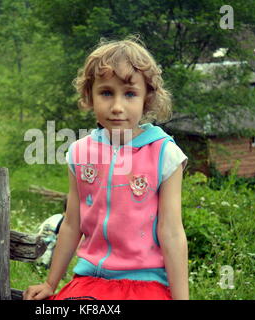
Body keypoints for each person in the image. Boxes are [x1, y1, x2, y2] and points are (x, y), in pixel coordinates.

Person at [23, 35, 189, 300]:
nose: (117, 107)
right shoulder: (79, 153)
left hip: (144, 285)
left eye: (130, 94)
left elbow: (171, 232)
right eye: (106, 93)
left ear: (147, 99)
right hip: (89, 281)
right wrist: (50, 284)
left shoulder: (164, 154)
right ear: (89, 95)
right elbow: (71, 223)